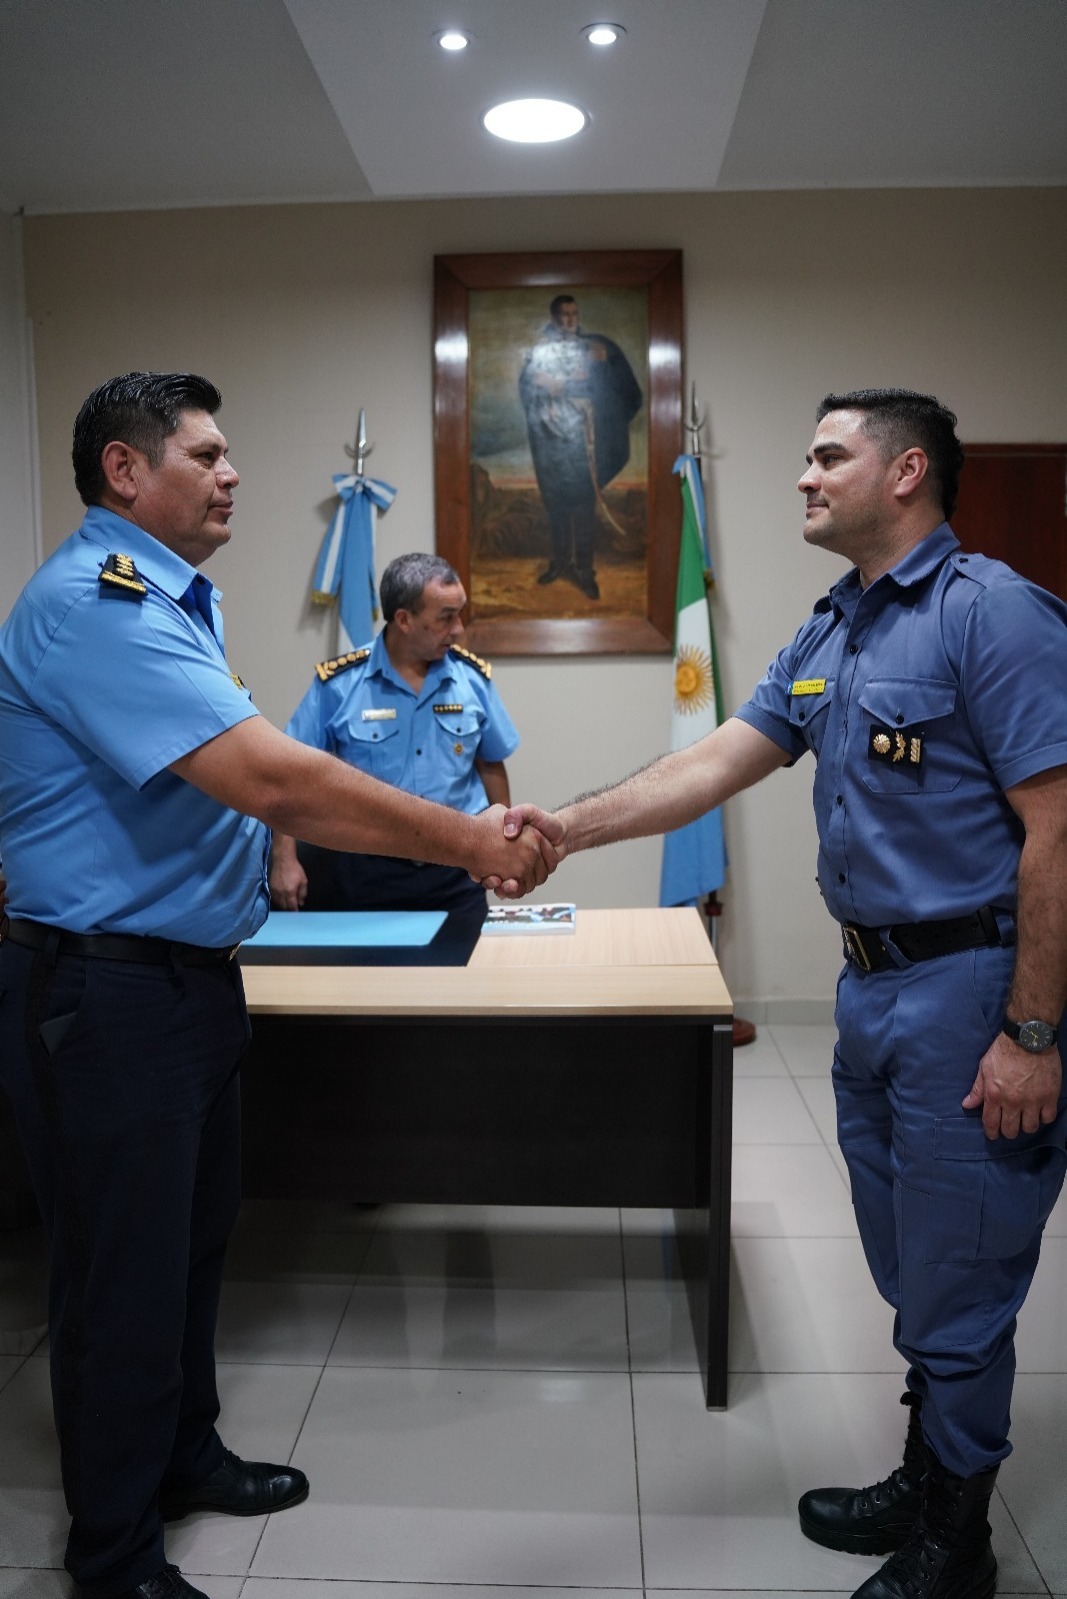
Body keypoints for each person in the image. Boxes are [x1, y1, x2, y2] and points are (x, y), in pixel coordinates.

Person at [497, 389, 1067, 1599]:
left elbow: (1055, 832)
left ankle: (954, 1543)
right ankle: (924, 1471)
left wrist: (1029, 1032)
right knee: (911, 1263)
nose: (803, 477)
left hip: (970, 991)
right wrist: (564, 828)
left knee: (960, 1278)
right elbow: (713, 760)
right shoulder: (833, 629)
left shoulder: (991, 614)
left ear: (904, 472)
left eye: (826, 457)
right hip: (871, 992)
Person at [0, 372, 552, 1599]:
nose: (231, 471)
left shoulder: (167, 603)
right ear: (125, 471)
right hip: (107, 995)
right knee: (119, 1282)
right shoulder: (100, 603)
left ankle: (182, 1457)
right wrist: (473, 841)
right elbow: (277, 781)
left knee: (191, 1252)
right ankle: (114, 1559)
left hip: (184, 982)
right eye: (205, 453)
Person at [270, 552, 518, 942]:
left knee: (465, 976)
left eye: (459, 614)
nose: (458, 629)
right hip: (365, 874)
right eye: (446, 617)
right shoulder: (340, 685)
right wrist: (284, 859)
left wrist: (504, 843)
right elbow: (289, 772)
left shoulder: (472, 679)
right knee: (369, 978)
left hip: (457, 873)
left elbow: (490, 765)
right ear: (403, 620)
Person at [518, 293, 642, 600]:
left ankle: (584, 570)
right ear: (554, 318)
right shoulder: (540, 354)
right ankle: (561, 562)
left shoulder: (595, 349)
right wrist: (545, 398)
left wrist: (563, 386)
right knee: (556, 505)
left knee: (584, 505)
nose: (569, 320)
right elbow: (529, 387)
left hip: (584, 442)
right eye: (564, 314)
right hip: (551, 443)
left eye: (574, 314)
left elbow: (612, 389)